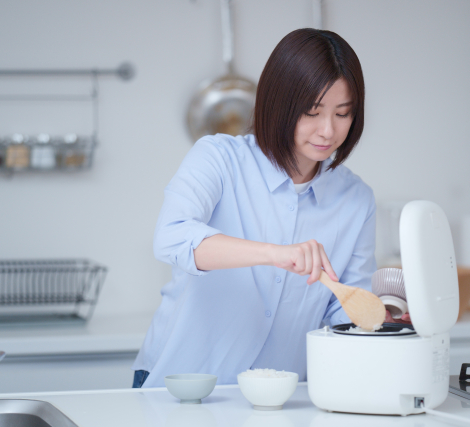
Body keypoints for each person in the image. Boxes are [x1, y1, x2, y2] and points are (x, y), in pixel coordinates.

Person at [132, 28, 406, 388]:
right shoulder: (218, 158)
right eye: (312, 111)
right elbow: (171, 237)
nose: (327, 130)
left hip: (280, 398)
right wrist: (274, 254)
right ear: (280, 104)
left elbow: (343, 309)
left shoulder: (356, 200)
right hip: (180, 386)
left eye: (343, 113)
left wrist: (381, 320)